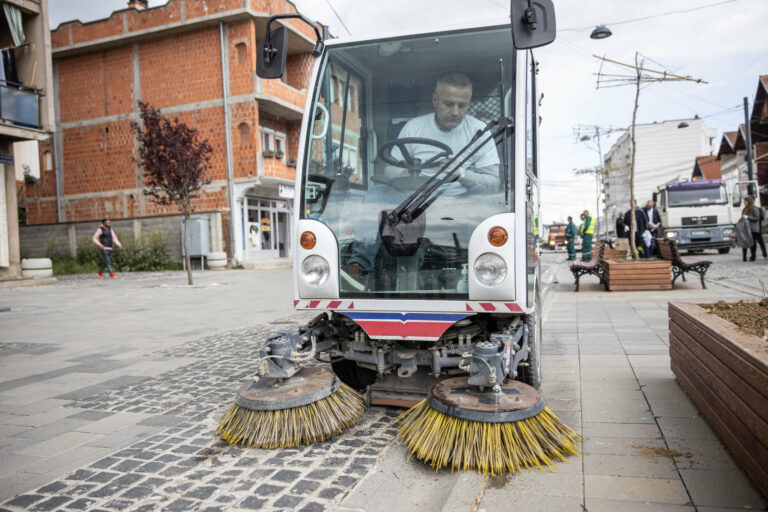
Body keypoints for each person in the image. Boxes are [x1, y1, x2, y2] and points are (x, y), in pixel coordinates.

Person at [345, 72, 500, 283]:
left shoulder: (479, 132)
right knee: (377, 194)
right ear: (435, 100)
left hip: (458, 203)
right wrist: (408, 173)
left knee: (481, 194)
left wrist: (461, 174)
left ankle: (483, 266)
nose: (456, 111)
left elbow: (493, 182)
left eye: (462, 105)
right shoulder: (414, 127)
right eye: (449, 104)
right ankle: (359, 265)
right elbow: (390, 170)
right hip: (413, 201)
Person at [742, 196, 767, 261]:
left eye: (745, 201)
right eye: (744, 201)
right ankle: (747, 257)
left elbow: (757, 218)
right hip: (747, 228)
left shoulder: (754, 209)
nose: (744, 203)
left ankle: (758, 255)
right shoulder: (745, 209)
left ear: (749, 202)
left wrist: (748, 217)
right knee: (748, 242)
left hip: (754, 228)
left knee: (757, 242)